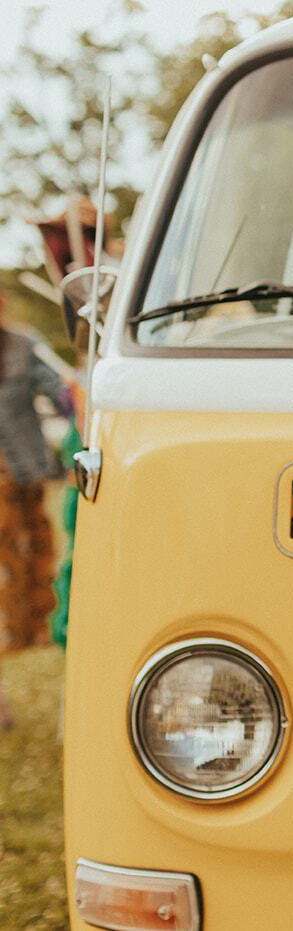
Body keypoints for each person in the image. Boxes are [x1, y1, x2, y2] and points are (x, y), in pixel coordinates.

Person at [0, 288, 72, 730]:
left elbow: (62, 392)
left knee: (27, 588)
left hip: (22, 487)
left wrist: (80, 391)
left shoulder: (23, 345)